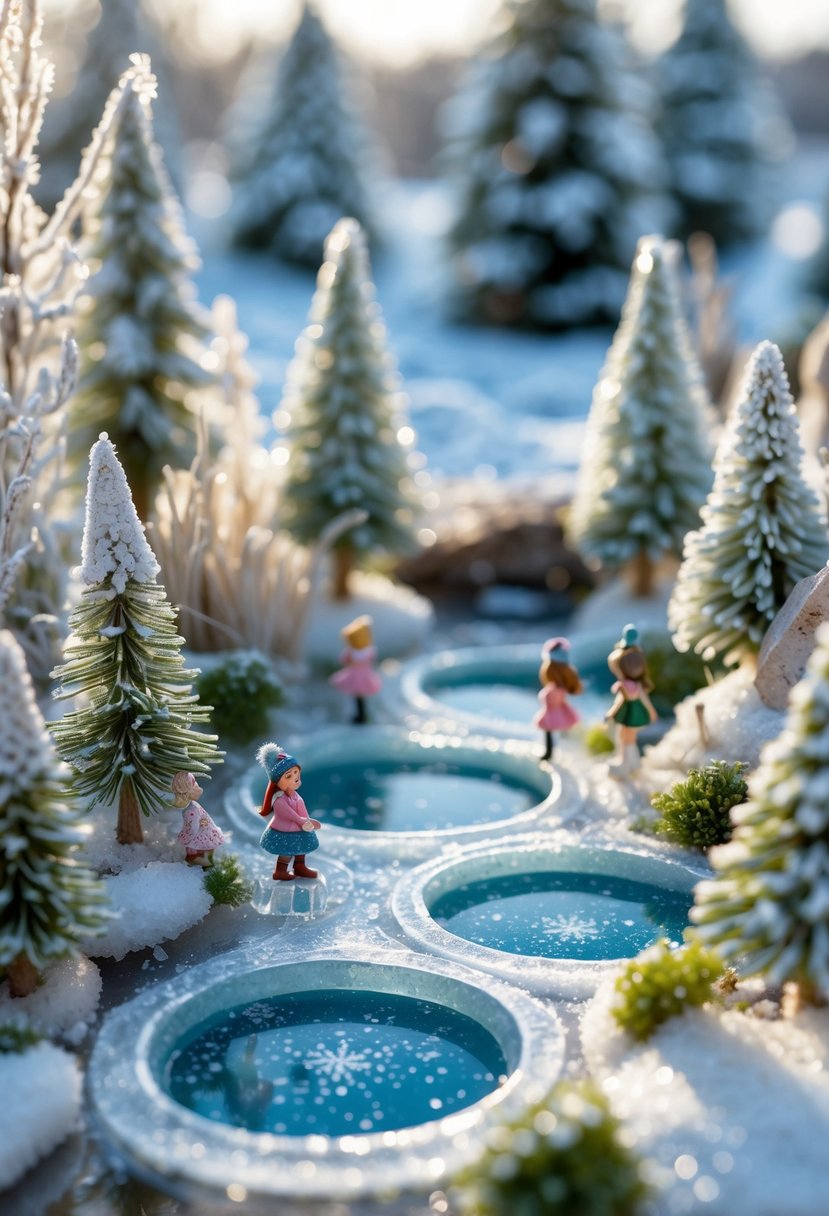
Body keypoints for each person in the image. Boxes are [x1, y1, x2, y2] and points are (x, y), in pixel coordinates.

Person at [257, 743, 322, 880]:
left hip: (300, 827)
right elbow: (288, 814)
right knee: (286, 850)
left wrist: (309, 822)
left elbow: (302, 810)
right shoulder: (279, 799)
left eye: (295, 772)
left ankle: (299, 867)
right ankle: (280, 871)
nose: (295, 777)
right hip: (285, 830)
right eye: (288, 776)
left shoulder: (295, 796)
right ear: (277, 782)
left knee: (301, 847)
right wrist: (302, 821)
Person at [605, 624, 657, 776]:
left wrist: (611, 713)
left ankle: (628, 764)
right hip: (635, 712)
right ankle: (631, 763)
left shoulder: (624, 686)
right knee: (628, 738)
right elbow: (645, 699)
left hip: (630, 713)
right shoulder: (638, 684)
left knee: (625, 737)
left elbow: (619, 702)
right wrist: (651, 712)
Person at [533, 637, 583, 762]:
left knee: (549, 732)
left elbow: (546, 699)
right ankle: (554, 750)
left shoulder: (552, 690)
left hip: (551, 714)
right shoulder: (561, 688)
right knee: (558, 733)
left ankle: (550, 752)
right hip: (559, 711)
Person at [329, 615, 381, 724]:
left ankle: (360, 716)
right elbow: (372, 659)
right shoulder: (370, 650)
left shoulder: (351, 652)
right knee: (362, 697)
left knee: (357, 698)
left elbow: (343, 660)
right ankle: (363, 715)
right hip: (365, 676)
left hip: (354, 676)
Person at [171, 771, 224, 867]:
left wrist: (203, 822)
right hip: (200, 835)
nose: (200, 790)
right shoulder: (190, 810)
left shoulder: (193, 807)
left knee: (200, 850)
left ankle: (201, 862)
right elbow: (193, 828)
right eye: (196, 787)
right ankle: (198, 862)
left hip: (204, 833)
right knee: (196, 851)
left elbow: (194, 826)